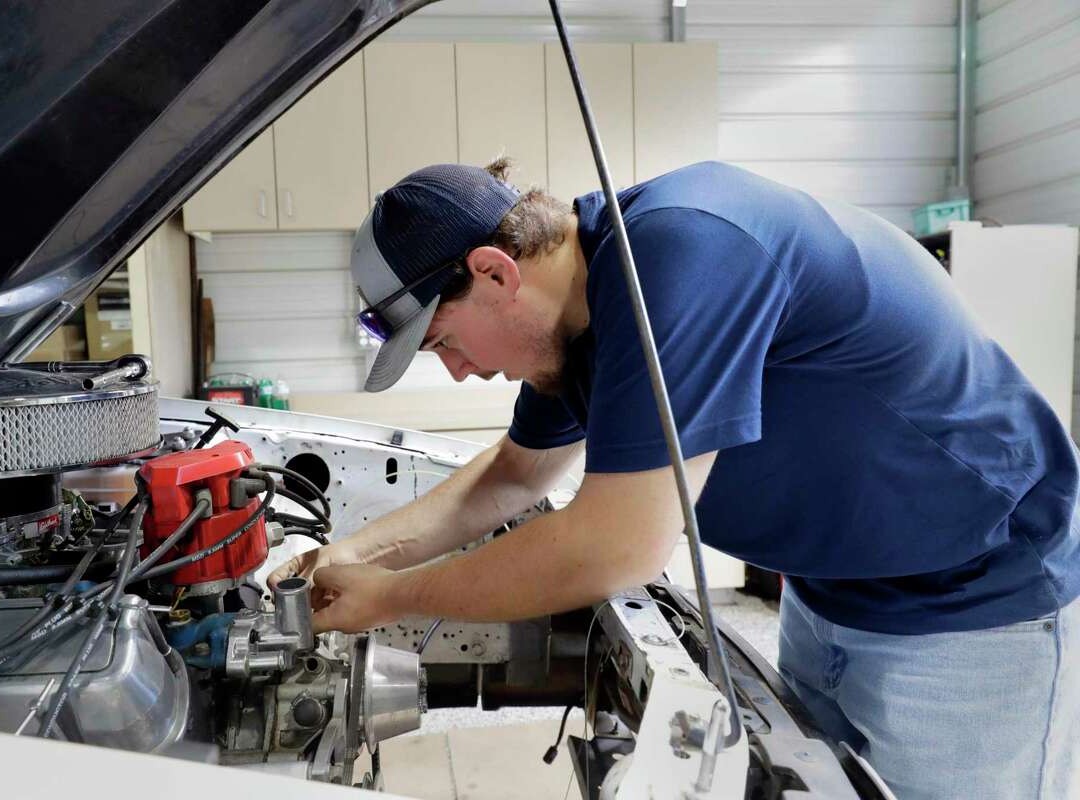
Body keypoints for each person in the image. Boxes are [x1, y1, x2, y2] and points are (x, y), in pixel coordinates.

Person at [267, 158, 1079, 799]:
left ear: (494, 272)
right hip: (833, 594)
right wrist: (352, 559)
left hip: (972, 608)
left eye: (443, 341)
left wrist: (394, 600)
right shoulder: (580, 325)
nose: (457, 373)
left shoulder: (682, 255)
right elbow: (510, 477)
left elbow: (614, 545)